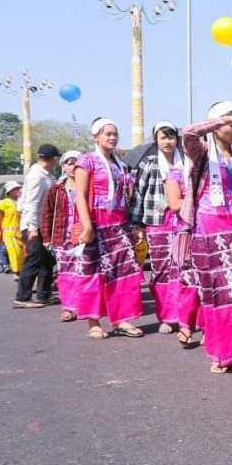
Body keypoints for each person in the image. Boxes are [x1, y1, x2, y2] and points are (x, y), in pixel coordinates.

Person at [177, 102, 232, 375]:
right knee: (218, 296)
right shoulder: (201, 152)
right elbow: (189, 134)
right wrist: (223, 120)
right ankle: (222, 353)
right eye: (230, 124)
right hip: (208, 231)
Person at [73, 118, 144, 339]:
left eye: (115, 133)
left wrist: (133, 225)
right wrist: (87, 225)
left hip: (119, 223)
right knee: (94, 271)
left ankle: (122, 319)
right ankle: (94, 321)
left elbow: (126, 196)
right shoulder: (86, 161)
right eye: (107, 134)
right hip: (96, 222)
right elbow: (80, 196)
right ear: (95, 136)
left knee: (124, 270)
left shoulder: (119, 164)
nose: (112, 137)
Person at [129, 124, 188, 334]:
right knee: (161, 268)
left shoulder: (186, 162)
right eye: (162, 138)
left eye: (171, 137)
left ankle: (184, 315)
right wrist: (136, 224)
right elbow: (138, 194)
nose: (167, 142)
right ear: (156, 140)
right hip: (157, 220)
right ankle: (166, 316)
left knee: (182, 267)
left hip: (183, 220)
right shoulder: (149, 163)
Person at [14, 144, 60, 308]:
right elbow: (31, 203)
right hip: (35, 225)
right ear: (54, 159)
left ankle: (44, 293)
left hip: (42, 224)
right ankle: (22, 297)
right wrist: (32, 227)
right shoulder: (37, 176)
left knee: (47, 260)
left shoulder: (43, 174)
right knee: (33, 260)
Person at [43, 150, 82, 322]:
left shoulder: (90, 186)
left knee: (86, 271)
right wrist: (46, 238)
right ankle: (69, 307)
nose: (73, 166)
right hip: (63, 237)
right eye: (69, 162)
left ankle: (85, 305)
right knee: (66, 273)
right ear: (63, 166)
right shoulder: (56, 189)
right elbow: (47, 214)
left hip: (85, 236)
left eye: (76, 162)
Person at [0, 183, 25, 277]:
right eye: (14, 189)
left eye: (18, 188)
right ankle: (16, 272)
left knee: (22, 253)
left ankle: (23, 272)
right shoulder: (3, 203)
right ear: (9, 192)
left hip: (22, 230)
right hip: (8, 231)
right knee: (13, 252)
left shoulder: (23, 201)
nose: (17, 190)